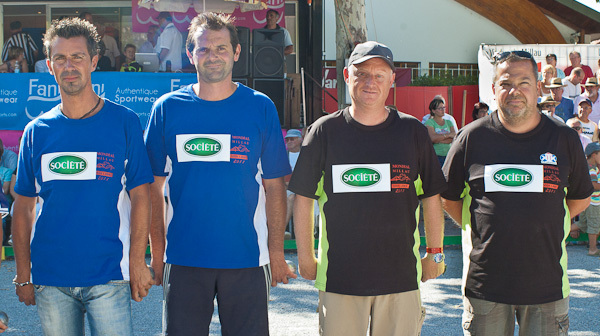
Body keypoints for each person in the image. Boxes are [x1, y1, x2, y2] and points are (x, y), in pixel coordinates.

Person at [144, 12, 294, 335]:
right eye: (203, 49)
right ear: (190, 54)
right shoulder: (166, 109)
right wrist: (158, 253)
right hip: (183, 259)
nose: (212, 56)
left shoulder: (261, 107)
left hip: (247, 260)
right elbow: (151, 189)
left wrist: (277, 254)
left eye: (221, 48)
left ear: (236, 53)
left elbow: (275, 187)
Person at [290, 41, 446, 336]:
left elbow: (432, 197)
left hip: (401, 279)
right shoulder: (323, 131)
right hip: (339, 279)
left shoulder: (412, 131)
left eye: (378, 75)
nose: (369, 82)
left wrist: (435, 253)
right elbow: (303, 198)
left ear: (391, 81)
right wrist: (305, 256)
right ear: (347, 77)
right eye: (361, 74)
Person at [12, 17, 154, 335]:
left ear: (93, 61)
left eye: (77, 57)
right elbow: (22, 208)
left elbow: (142, 196)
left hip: (108, 276)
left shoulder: (124, 122)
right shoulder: (36, 132)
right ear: (50, 66)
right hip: (51, 279)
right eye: (60, 58)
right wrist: (23, 273)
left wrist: (137, 261)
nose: (69, 66)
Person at [442, 50, 593, 336]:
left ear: (538, 87)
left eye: (524, 83)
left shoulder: (564, 138)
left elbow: (581, 197)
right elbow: (449, 199)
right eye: (505, 83)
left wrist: (548, 218)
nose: (515, 91)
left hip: (547, 286)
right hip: (485, 286)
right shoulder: (471, 138)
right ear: (493, 89)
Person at [573, 142, 600, 256]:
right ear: (594, 155)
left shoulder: (588, 166)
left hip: (588, 201)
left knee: (582, 224)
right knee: (594, 225)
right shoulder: (591, 168)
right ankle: (592, 249)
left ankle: (559, 232)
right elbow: (594, 186)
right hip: (593, 202)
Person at [424, 95, 456, 166]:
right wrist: (448, 135)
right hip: (436, 156)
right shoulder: (429, 122)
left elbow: (453, 137)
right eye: (440, 108)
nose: (443, 110)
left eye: (444, 107)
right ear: (433, 110)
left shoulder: (449, 122)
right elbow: (433, 138)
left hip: (448, 155)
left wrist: (438, 139)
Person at [284, 129, 302, 231]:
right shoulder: (283, 156)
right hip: (288, 187)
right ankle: (281, 232)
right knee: (290, 196)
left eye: (292, 139)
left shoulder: (306, 155)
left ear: (300, 140)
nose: (289, 141)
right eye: (287, 140)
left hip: (304, 188)